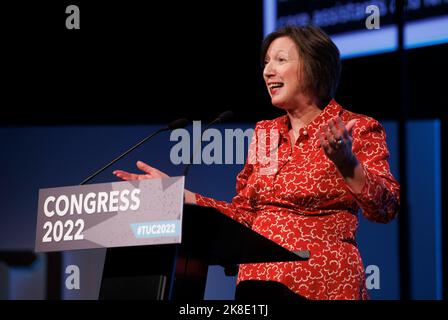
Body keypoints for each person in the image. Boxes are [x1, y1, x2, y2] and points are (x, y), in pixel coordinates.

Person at [113, 25, 400, 300]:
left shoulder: (357, 127)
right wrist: (181, 196)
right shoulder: (265, 132)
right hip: (258, 283)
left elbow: (385, 207)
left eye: (280, 60)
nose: (267, 71)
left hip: (321, 282)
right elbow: (246, 215)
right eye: (265, 63)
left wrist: (347, 163)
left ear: (315, 67)